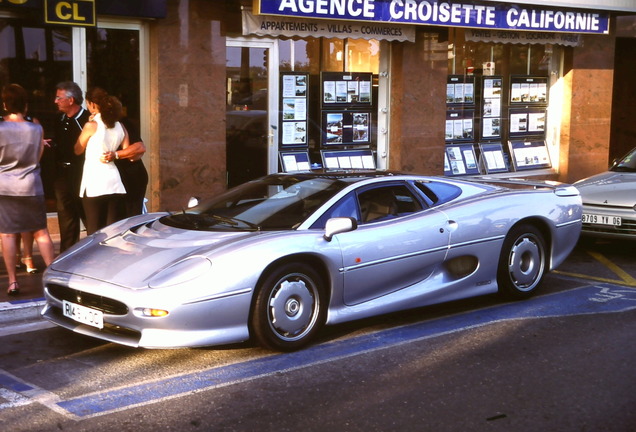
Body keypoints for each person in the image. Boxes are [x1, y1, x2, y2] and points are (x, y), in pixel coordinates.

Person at [0, 84, 56, 295]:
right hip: (32, 184)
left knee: (7, 234)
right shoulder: (36, 129)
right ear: (25, 104)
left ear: (5, 104)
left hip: (5, 186)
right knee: (41, 231)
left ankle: (13, 282)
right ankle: (52, 279)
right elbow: (38, 155)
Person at [74, 88, 129, 235]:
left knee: (94, 230)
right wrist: (114, 154)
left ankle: (95, 258)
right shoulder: (120, 126)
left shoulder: (91, 126)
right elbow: (127, 149)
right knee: (113, 230)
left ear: (92, 104)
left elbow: (78, 149)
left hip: (94, 181)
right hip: (114, 182)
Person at [51, 81, 90, 252]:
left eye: (59, 97)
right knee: (66, 218)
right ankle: (67, 255)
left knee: (88, 215)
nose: (55, 101)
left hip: (82, 174)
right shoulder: (59, 119)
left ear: (71, 100)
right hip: (62, 175)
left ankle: (95, 254)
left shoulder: (87, 120)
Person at [107, 117, 148, 218]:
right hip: (108, 181)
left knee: (130, 218)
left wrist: (116, 154)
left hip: (129, 177)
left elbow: (139, 149)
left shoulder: (121, 122)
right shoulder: (91, 123)